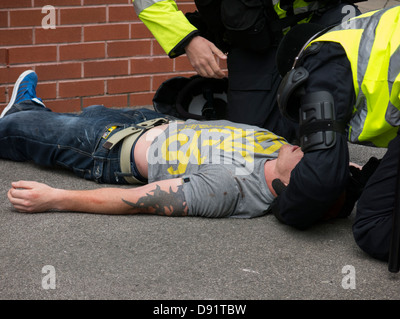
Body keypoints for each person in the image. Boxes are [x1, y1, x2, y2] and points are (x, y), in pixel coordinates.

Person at [1, 70, 305, 218]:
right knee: (67, 118)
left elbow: (137, 200)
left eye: (308, 159)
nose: (305, 148)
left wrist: (54, 198)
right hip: (149, 120)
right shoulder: (278, 147)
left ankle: (22, 114)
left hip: (108, 147)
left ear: (294, 185)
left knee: (12, 130)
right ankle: (32, 109)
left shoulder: (227, 188)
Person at [272, 5, 400, 262]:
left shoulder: (320, 56)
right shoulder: (363, 36)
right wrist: (359, 183)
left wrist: (285, 203)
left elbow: (319, 181)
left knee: (374, 226)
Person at [131, 0, 364, 140]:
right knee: (251, 145)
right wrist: (187, 39)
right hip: (253, 40)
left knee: (322, 132)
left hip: (319, 25)